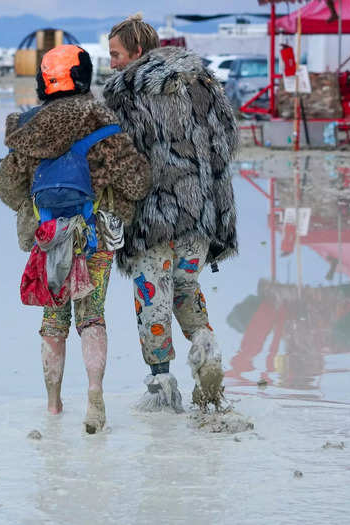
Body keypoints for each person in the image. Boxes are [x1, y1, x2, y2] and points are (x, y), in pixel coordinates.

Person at [0, 45, 151, 433]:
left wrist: (38, 213)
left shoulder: (27, 127)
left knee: (53, 320)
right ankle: (95, 397)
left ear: (43, 81)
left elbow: (8, 189)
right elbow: (137, 181)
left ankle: (52, 406)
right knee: (92, 315)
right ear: (82, 77)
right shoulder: (101, 120)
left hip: (46, 238)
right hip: (94, 235)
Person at [102, 15, 239, 410]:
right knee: (185, 290)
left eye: (115, 54)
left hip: (152, 219)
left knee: (152, 299)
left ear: (137, 52)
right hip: (201, 214)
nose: (111, 63)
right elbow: (226, 142)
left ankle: (162, 387)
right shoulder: (204, 83)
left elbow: (118, 162)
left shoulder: (126, 93)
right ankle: (207, 352)